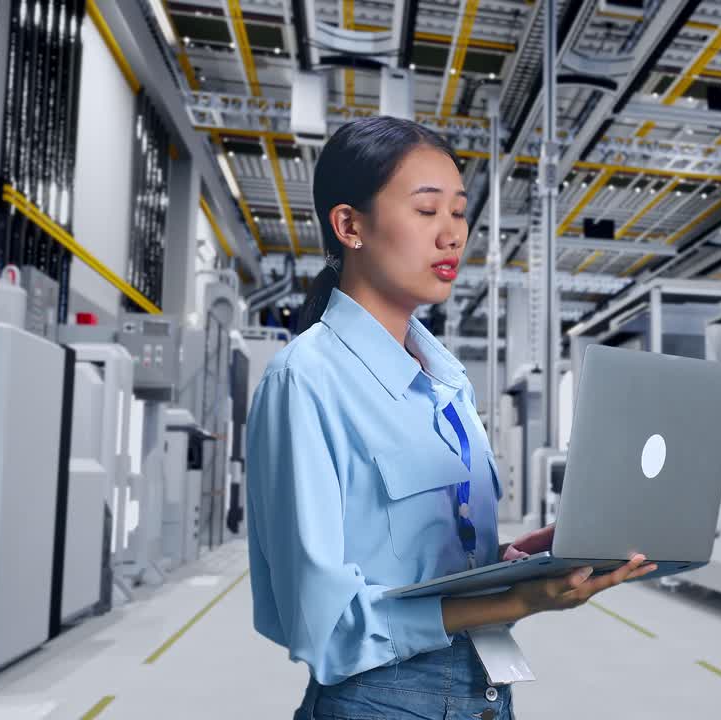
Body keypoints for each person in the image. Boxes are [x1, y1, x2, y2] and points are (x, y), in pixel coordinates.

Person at [245, 116, 657, 720]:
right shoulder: (306, 380)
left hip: (483, 691)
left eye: (459, 212)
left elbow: (425, 564)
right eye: (426, 210)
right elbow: (325, 628)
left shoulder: (447, 380)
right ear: (349, 225)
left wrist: (514, 563)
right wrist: (517, 603)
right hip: (378, 701)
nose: (452, 235)